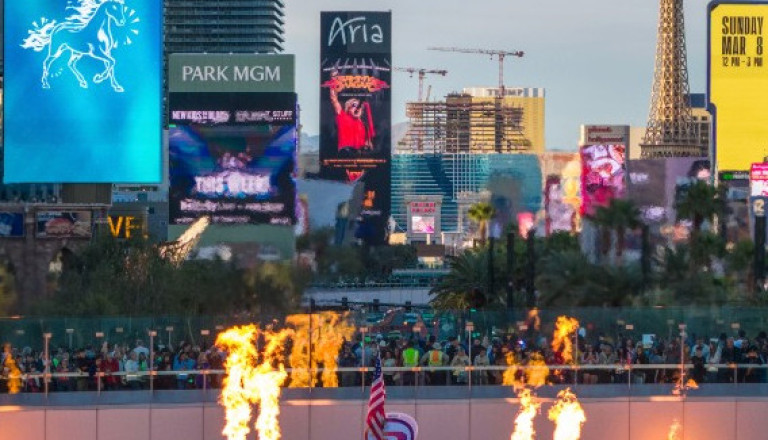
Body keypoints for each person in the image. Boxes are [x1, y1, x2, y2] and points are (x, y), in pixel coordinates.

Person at [329, 82, 374, 156]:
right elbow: (334, 99)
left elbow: (368, 145)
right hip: (346, 154)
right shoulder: (343, 116)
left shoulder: (364, 125)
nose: (358, 108)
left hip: (359, 156)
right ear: (348, 108)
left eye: (359, 107)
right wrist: (334, 82)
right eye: (354, 105)